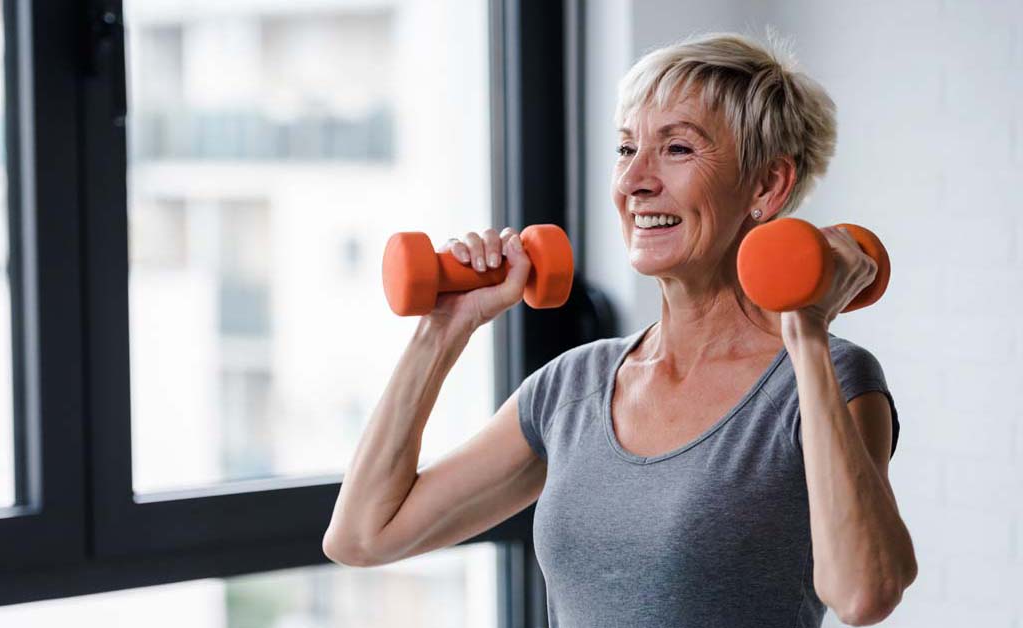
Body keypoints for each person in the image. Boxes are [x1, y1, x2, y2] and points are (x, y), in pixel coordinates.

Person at [323, 32, 916, 627]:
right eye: (626, 147)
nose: (636, 180)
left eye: (678, 149)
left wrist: (806, 334)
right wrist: (442, 332)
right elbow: (363, 536)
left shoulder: (829, 379)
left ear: (766, 186)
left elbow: (864, 594)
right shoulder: (572, 387)